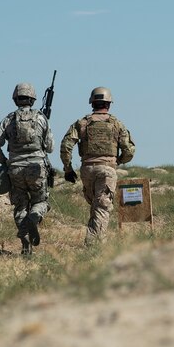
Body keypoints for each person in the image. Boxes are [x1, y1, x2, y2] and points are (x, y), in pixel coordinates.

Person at [60, 86, 135, 245]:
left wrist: (68, 169)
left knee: (96, 205)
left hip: (87, 169)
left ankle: (94, 240)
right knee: (102, 207)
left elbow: (66, 145)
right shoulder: (117, 124)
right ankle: (94, 245)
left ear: (92, 103)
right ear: (108, 104)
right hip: (107, 169)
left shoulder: (82, 123)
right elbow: (129, 151)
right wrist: (119, 161)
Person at [0, 83, 55, 255]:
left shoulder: (9, 119)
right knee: (41, 202)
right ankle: (33, 219)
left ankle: (26, 243)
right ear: (33, 99)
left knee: (20, 206)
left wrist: (4, 161)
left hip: (15, 169)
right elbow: (50, 147)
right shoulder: (41, 118)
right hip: (37, 168)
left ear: (15, 99)